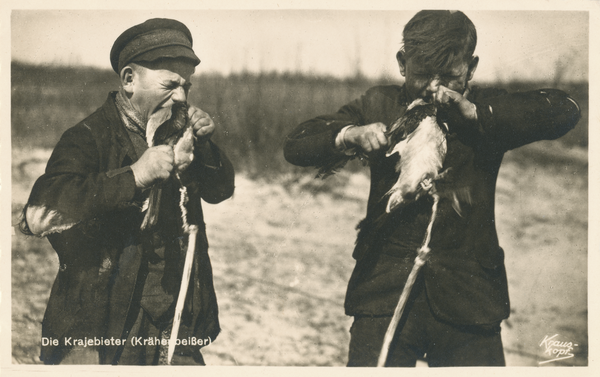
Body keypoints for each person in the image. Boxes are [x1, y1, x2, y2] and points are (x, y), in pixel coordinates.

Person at [283, 10, 580, 367]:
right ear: (402, 64)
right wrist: (349, 135)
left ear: (471, 68)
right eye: (422, 74)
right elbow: (296, 144)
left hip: (469, 301)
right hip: (383, 294)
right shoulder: (378, 102)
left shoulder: (485, 108)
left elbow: (567, 109)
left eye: (450, 77)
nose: (433, 88)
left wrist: (475, 113)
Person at [19, 18, 235, 365]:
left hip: (175, 322)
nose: (180, 97)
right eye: (170, 84)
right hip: (99, 328)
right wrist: (135, 176)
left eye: (186, 87)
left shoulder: (179, 130)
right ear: (129, 80)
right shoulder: (87, 135)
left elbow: (221, 190)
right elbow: (40, 214)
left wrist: (206, 146)